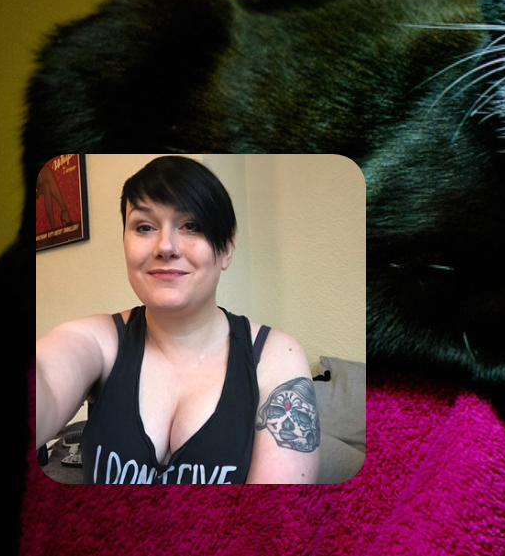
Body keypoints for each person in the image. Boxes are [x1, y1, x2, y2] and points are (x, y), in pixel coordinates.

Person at [33, 155, 320, 484]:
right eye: (144, 227)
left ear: (227, 249)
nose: (165, 247)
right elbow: (46, 379)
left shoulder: (275, 355)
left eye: (191, 225)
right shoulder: (97, 340)